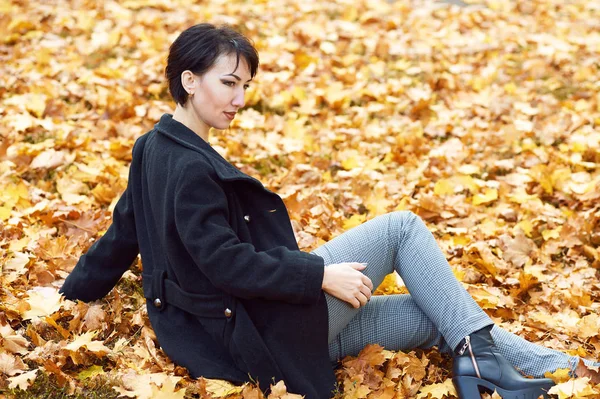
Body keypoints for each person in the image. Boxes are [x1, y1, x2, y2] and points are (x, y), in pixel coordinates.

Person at [60, 23, 595, 399]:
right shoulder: (189, 167)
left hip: (244, 332)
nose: (240, 99)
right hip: (254, 335)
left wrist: (69, 296)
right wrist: (319, 274)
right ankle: (488, 362)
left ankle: (574, 370)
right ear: (189, 80)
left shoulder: (154, 147)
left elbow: (121, 233)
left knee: (436, 315)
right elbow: (223, 263)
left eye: (246, 86)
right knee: (403, 227)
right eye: (229, 82)